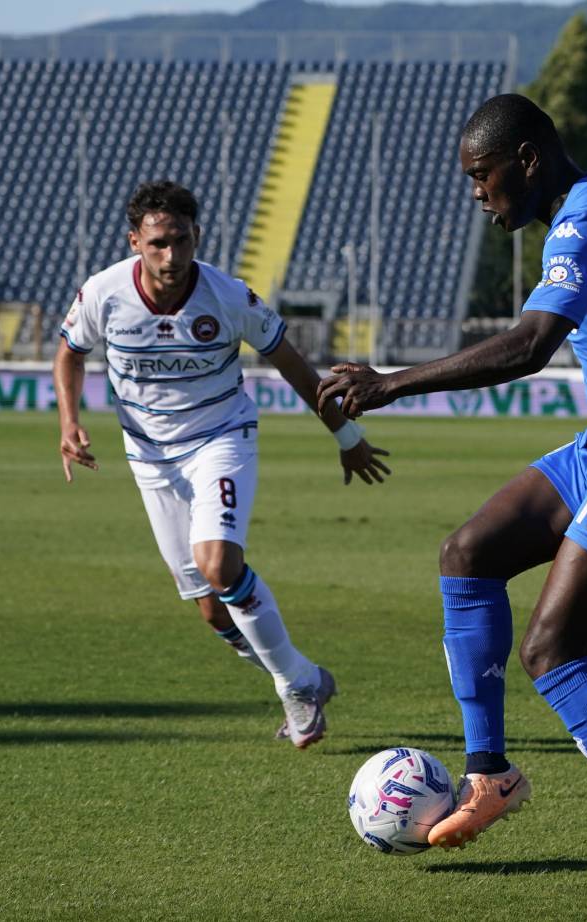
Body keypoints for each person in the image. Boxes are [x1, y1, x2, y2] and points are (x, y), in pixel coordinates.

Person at [318, 93, 587, 879]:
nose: (478, 193)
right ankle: (489, 773)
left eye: (482, 176)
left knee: (553, 649)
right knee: (468, 553)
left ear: (526, 160)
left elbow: (528, 346)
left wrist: (388, 383)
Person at [54, 180, 390, 748]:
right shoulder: (104, 293)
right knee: (213, 612)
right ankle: (306, 678)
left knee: (219, 565)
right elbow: (70, 352)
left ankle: (294, 689)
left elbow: (293, 365)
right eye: (158, 243)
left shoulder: (228, 295)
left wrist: (346, 433)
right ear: (135, 241)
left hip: (220, 438)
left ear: (196, 237)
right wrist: (68, 423)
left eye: (181, 240)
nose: (171, 255)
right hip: (150, 457)